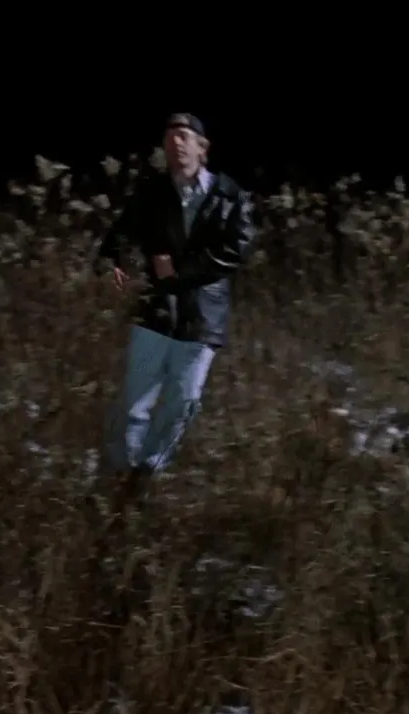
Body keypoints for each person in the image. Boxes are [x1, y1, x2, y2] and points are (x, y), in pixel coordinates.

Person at [92, 113, 255, 513]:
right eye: (169, 138)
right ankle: (115, 478)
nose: (175, 144)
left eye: (183, 136)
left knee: (183, 401)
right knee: (134, 401)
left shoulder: (230, 195)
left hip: (202, 316)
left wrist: (180, 270)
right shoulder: (152, 192)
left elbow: (236, 250)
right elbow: (119, 235)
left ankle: (147, 475)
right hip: (155, 310)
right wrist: (109, 264)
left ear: (202, 147)